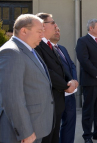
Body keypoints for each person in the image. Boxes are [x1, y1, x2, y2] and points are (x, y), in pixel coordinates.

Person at [0, 14, 53, 143]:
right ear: (24, 31)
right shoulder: (12, 53)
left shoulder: (29, 50)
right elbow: (13, 98)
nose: (42, 35)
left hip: (35, 126)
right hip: (23, 134)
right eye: (39, 31)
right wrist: (25, 132)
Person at [35, 13, 78, 143]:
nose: (56, 26)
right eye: (53, 23)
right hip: (49, 100)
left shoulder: (51, 46)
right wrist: (66, 86)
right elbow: (46, 71)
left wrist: (72, 80)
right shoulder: (36, 45)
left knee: (55, 134)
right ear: (43, 26)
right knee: (48, 137)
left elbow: (64, 67)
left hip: (59, 99)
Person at [50, 27, 78, 143]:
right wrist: (65, 86)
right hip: (58, 93)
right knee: (54, 127)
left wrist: (74, 81)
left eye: (59, 31)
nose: (58, 32)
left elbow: (72, 65)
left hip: (70, 93)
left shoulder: (62, 48)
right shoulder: (44, 49)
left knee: (70, 123)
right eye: (55, 30)